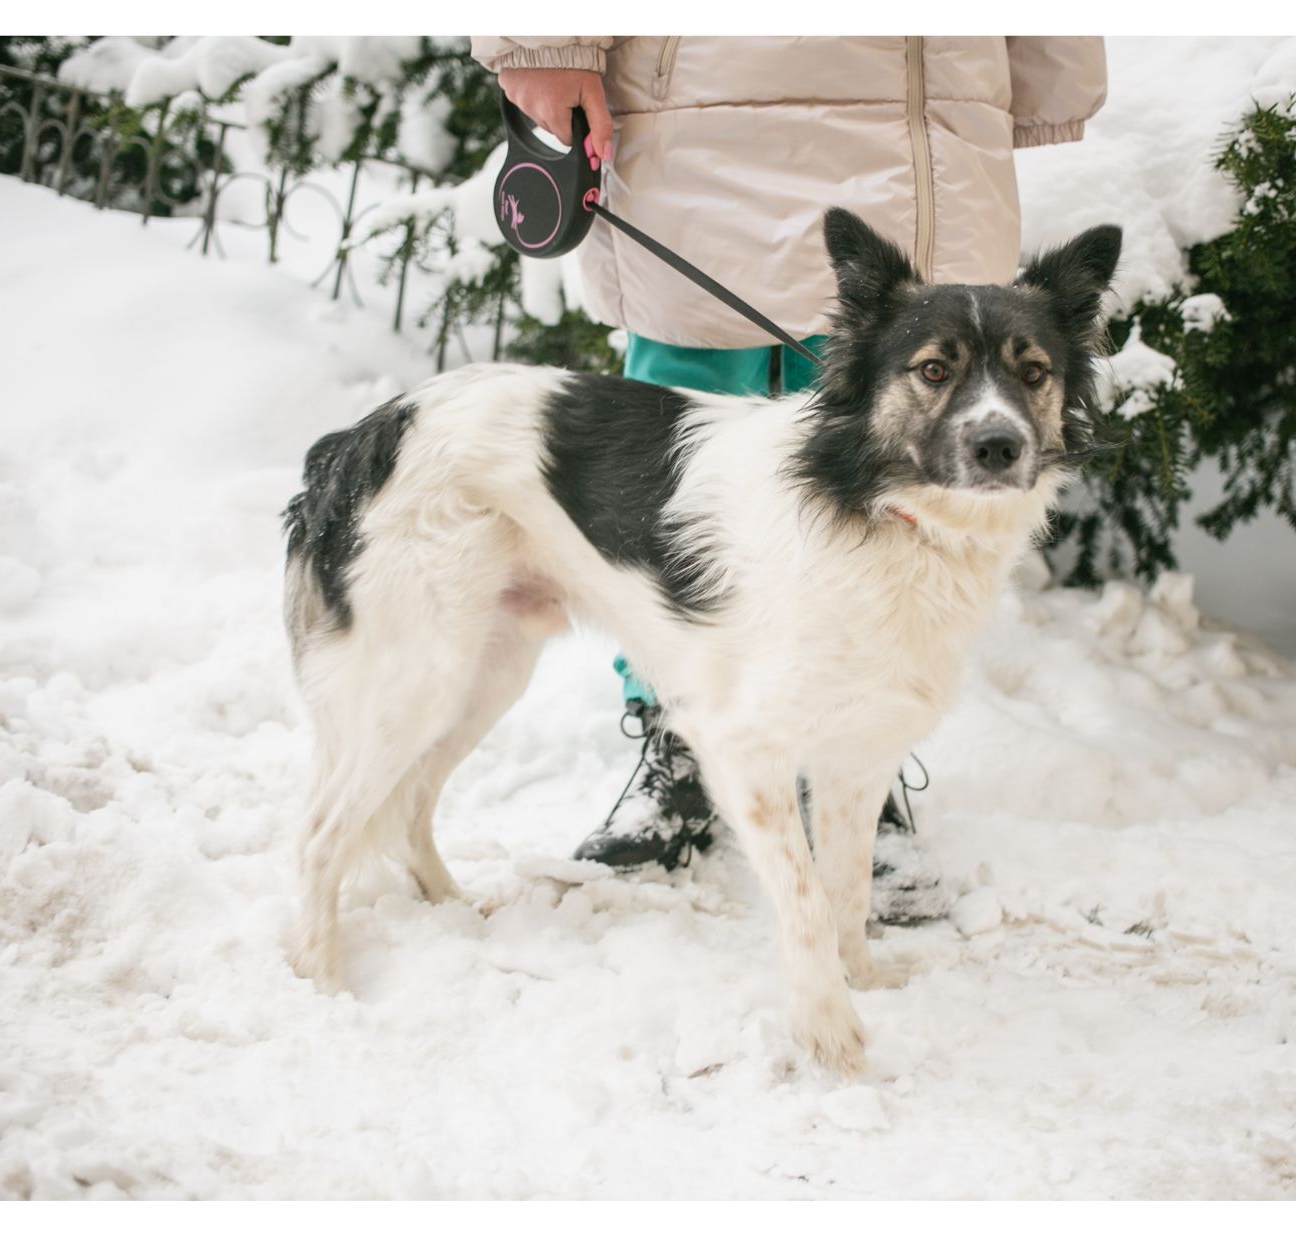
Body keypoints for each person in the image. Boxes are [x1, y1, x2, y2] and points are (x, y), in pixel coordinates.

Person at [469, 36, 1107, 921]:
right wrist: (542, 39)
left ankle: (857, 755)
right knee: (678, 469)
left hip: (920, 108)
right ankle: (679, 738)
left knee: (909, 452)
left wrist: (1037, 84)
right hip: (701, 97)